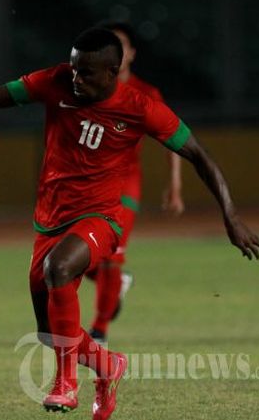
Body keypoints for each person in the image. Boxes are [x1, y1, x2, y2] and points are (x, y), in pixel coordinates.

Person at [0, 27, 259, 420]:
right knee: (50, 331)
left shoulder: (141, 107)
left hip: (102, 218)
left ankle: (65, 382)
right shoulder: (55, 81)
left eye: (86, 73)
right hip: (50, 221)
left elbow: (200, 155)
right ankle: (108, 367)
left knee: (59, 268)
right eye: (74, 69)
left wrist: (230, 216)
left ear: (112, 72)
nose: (76, 78)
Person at [86, 21, 185, 344]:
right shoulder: (88, 88)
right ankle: (115, 282)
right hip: (87, 187)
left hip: (125, 187)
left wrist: (175, 185)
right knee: (70, 256)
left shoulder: (146, 94)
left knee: (112, 255)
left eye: (121, 45)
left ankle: (99, 331)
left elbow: (172, 139)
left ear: (131, 54)